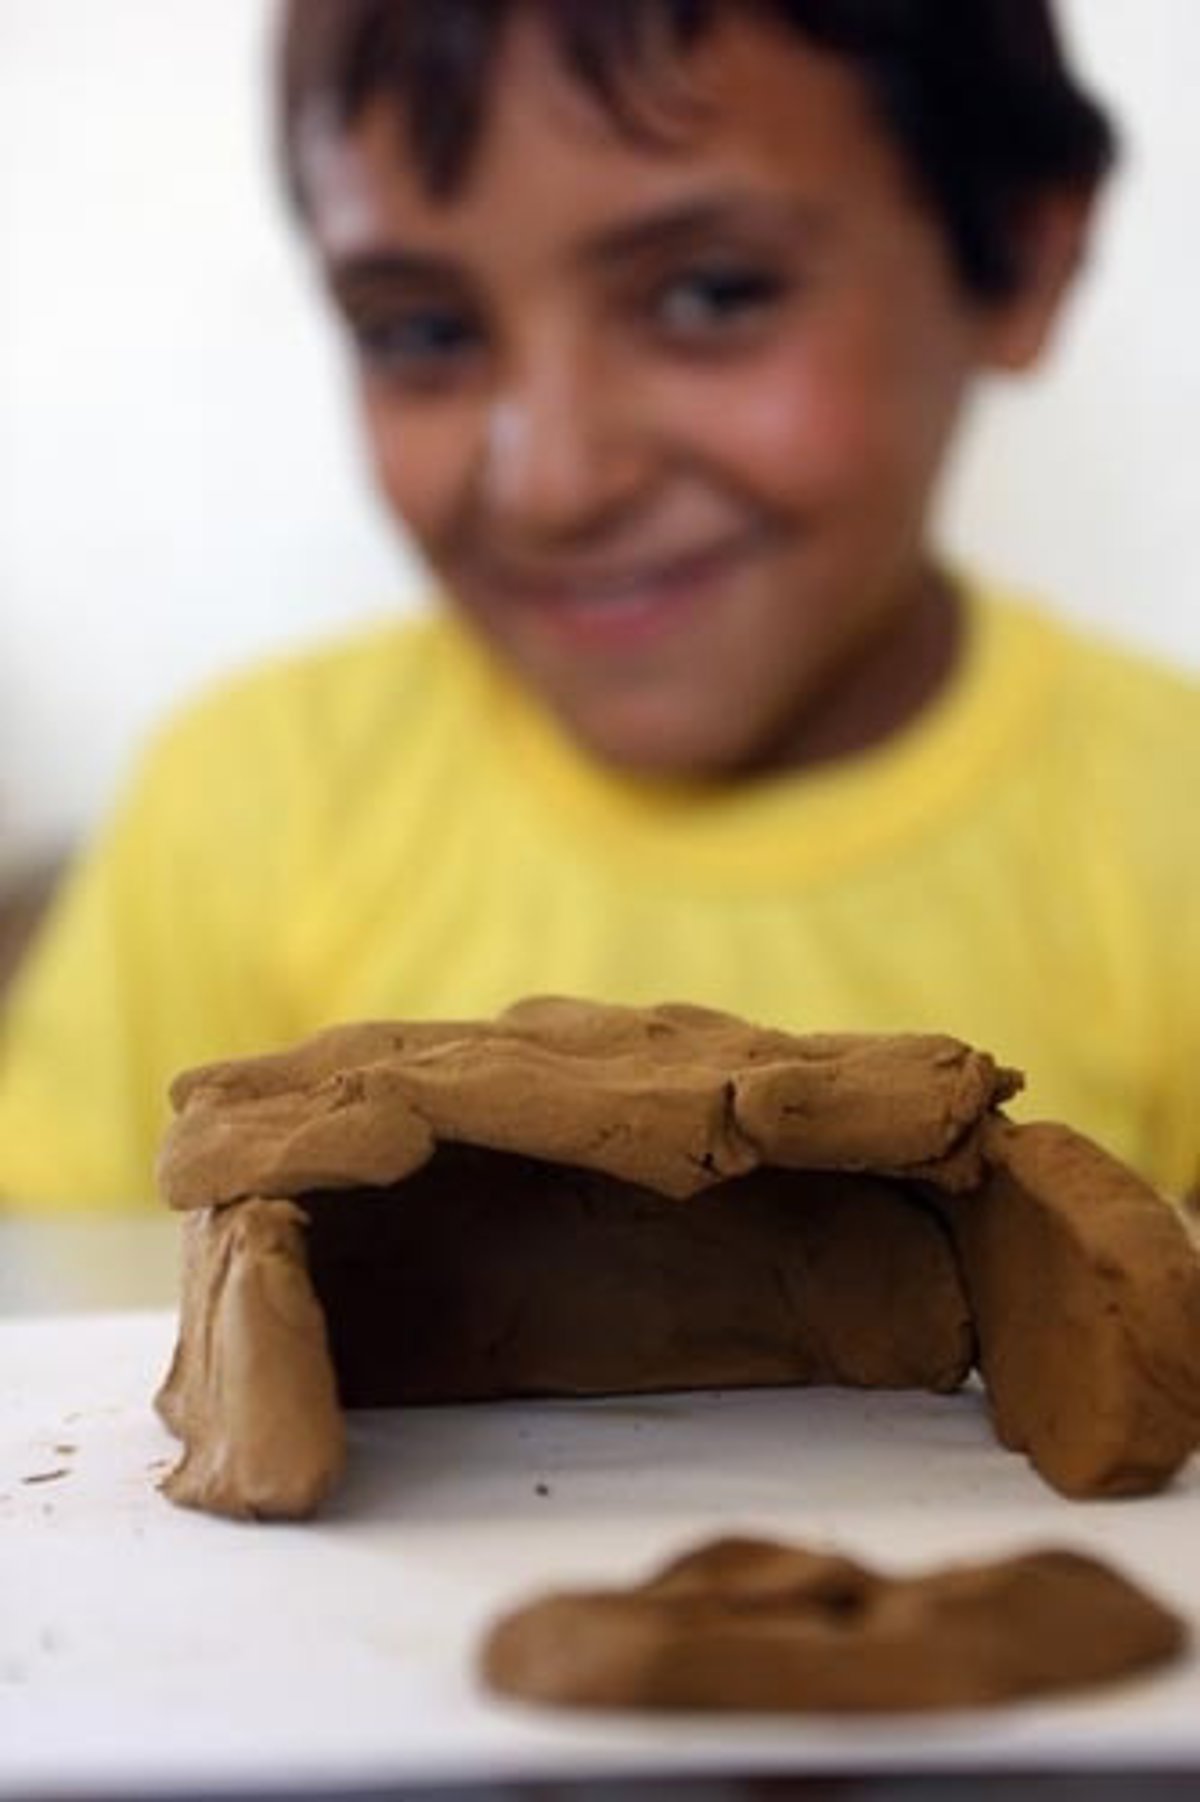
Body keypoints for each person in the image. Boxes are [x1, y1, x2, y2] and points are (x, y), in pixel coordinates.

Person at [0, 0, 1194, 1210]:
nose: (552, 483)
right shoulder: (241, 808)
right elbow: (56, 1295)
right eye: (424, 331)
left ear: (1022, 259)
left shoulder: (1173, 833)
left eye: (710, 296)